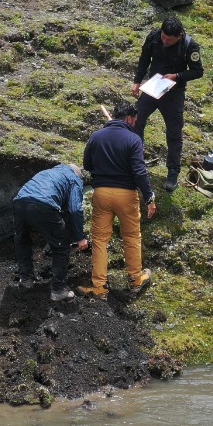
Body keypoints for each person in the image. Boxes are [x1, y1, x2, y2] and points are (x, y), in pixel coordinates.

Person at [80, 102, 156, 299]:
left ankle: (99, 288)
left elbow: (87, 164)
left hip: (102, 193)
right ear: (129, 118)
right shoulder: (133, 139)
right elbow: (139, 172)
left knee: (99, 240)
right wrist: (149, 197)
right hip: (126, 195)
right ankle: (135, 280)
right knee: (131, 237)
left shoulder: (96, 136)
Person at [132, 14, 204, 192]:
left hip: (173, 93)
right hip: (153, 87)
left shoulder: (190, 46)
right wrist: (137, 81)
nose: (165, 41)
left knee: (174, 132)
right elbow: (144, 59)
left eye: (169, 39)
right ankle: (136, 160)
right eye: (163, 37)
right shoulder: (154, 37)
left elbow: (198, 71)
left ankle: (173, 171)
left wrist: (177, 76)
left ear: (179, 36)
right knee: (136, 121)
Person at [12, 163, 89, 302]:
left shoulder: (47, 172)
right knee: (61, 247)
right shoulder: (74, 178)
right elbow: (75, 209)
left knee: (22, 240)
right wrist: (79, 237)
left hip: (19, 203)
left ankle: (26, 280)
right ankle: (58, 290)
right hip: (43, 205)